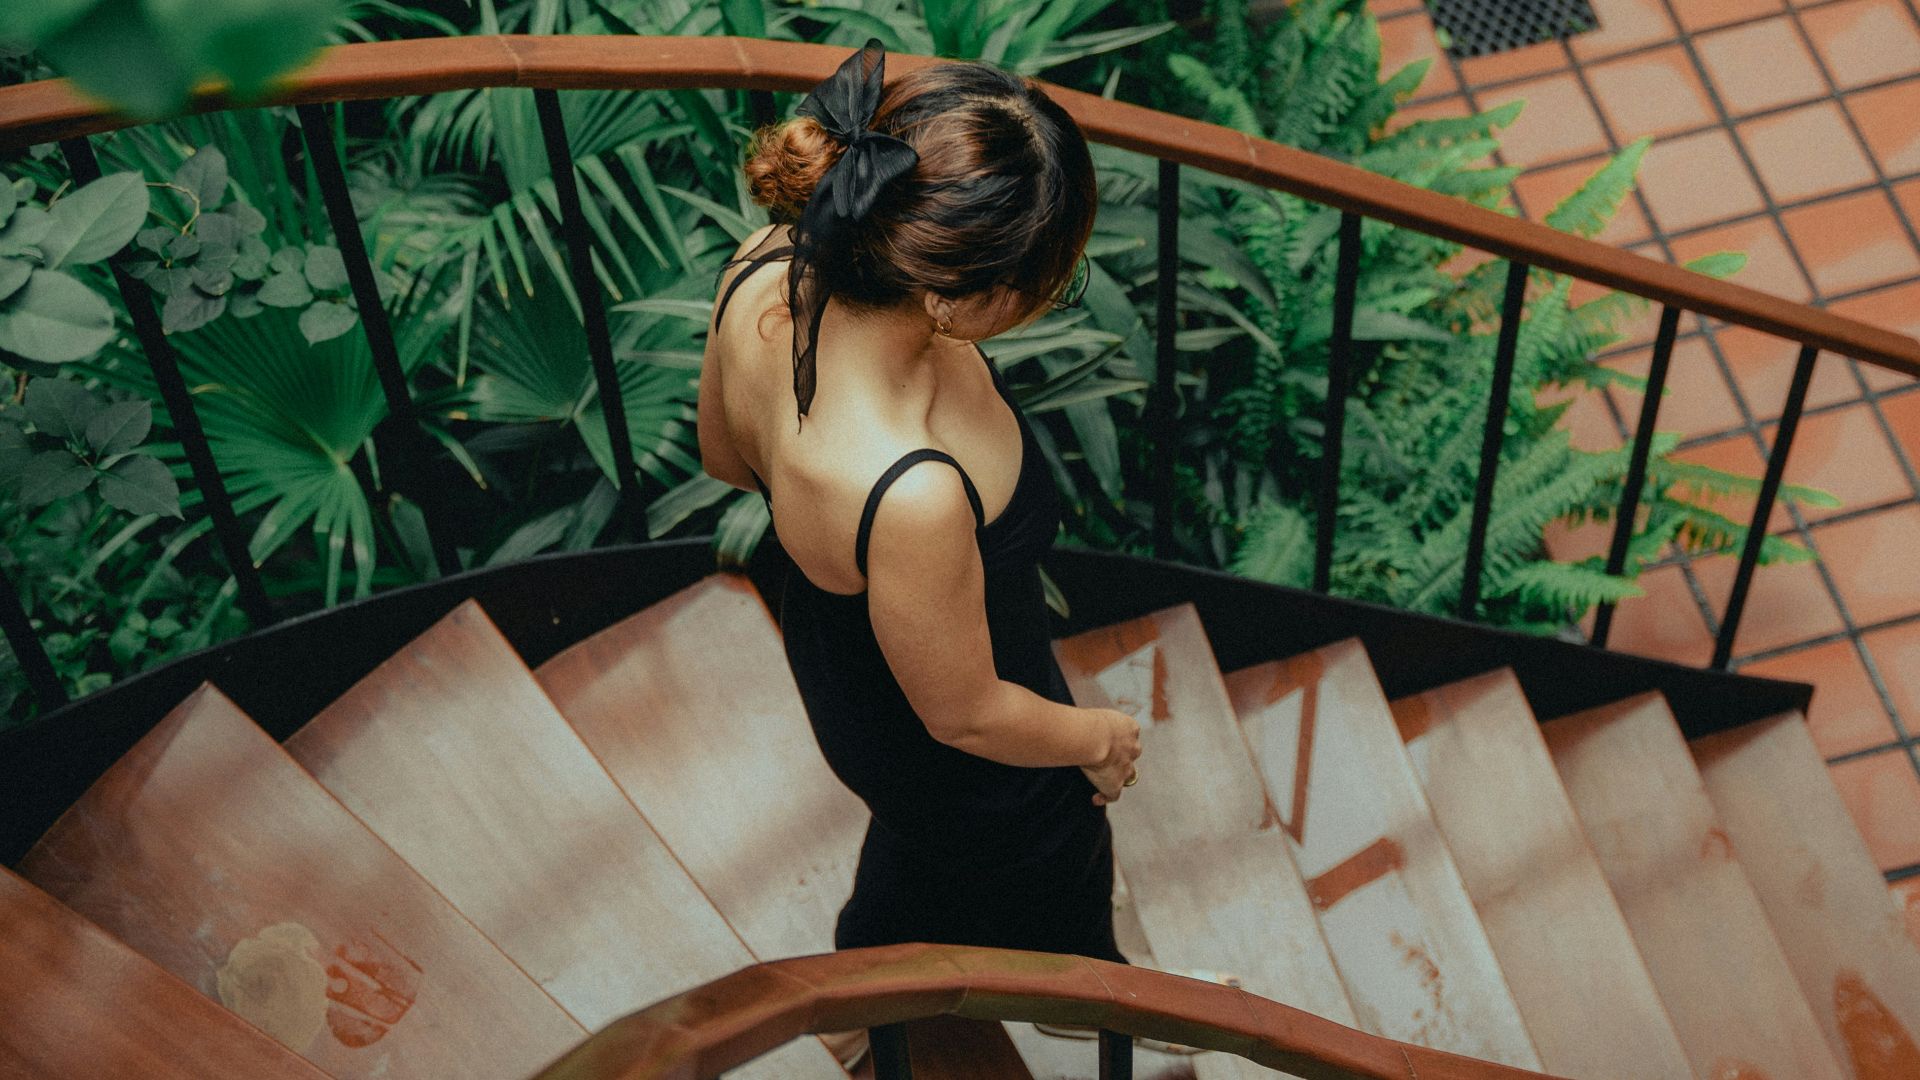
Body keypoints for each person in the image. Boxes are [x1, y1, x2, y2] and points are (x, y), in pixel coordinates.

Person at [697, 39, 1144, 1066]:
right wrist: (1098, 739)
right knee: (1048, 858)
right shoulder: (915, 490)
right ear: (958, 297)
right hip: (968, 729)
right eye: (1052, 280)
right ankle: (1087, 1006)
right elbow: (967, 713)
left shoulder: (764, 263)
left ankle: (860, 993)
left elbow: (729, 459)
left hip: (839, 659)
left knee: (916, 845)